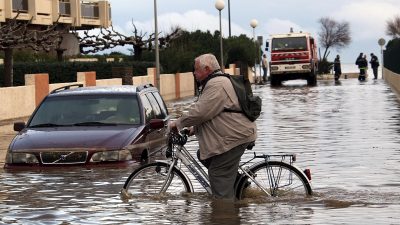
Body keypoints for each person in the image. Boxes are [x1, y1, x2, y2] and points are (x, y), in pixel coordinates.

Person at [168, 53, 257, 201]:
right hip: (237, 133)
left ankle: (225, 213)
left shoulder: (217, 84)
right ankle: (240, 187)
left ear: (207, 69)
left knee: (217, 173)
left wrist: (178, 123)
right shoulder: (217, 82)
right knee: (203, 155)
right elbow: (214, 113)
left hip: (235, 137)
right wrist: (193, 129)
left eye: (196, 70)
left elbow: (201, 112)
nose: (194, 74)